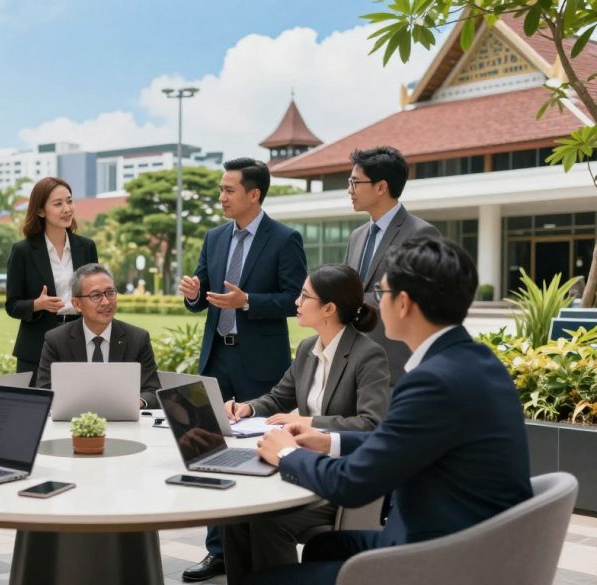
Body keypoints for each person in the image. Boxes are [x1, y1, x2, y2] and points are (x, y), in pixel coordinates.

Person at [251, 237, 533, 585]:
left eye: (381, 293)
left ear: (404, 304)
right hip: (475, 543)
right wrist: (329, 443)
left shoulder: (433, 382)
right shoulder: (477, 362)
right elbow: (399, 439)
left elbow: (352, 484)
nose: (375, 304)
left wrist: (288, 454)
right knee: (325, 547)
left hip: (440, 560)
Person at [178, 157, 307, 582]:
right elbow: (203, 296)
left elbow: (294, 299)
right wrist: (194, 294)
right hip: (218, 359)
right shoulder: (214, 237)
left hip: (261, 366)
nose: (221, 197)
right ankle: (217, 551)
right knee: (212, 450)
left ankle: (261, 544)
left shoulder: (285, 239)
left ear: (254, 194)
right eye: (221, 189)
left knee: (259, 451)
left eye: (229, 190)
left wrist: (247, 301)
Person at [219, 264, 391, 583]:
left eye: (304, 295)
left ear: (328, 308)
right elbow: (276, 399)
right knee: (236, 515)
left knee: (266, 521)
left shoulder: (369, 355)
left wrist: (309, 421)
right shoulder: (307, 349)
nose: (296, 302)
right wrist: (245, 407)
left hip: (339, 481)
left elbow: (372, 424)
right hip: (298, 466)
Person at [344, 146, 439, 387]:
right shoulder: (357, 236)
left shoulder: (421, 234)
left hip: (395, 368)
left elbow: (418, 298)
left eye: (355, 183)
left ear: (380, 187)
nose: (349, 190)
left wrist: (351, 301)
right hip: (353, 366)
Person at [5, 177, 98, 385]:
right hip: (37, 346)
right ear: (40, 211)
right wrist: (37, 305)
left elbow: (96, 292)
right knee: (36, 411)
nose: (67, 209)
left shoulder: (87, 247)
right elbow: (12, 305)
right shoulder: (22, 251)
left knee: (78, 409)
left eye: (69, 201)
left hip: (79, 341)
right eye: (58, 204)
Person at [35, 263, 161, 407]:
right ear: (77, 304)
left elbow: (152, 391)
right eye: (96, 295)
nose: (106, 302)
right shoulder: (56, 340)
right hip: (72, 423)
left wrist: (133, 403)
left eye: (110, 293)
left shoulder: (137, 338)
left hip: (124, 423)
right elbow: (44, 392)